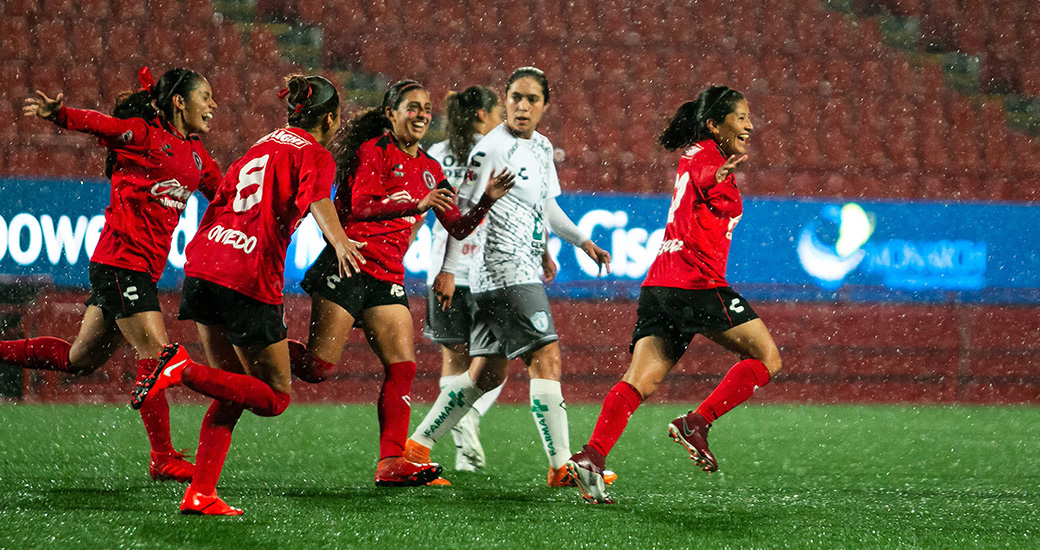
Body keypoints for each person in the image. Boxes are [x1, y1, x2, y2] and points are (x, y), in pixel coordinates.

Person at [130, 74, 366, 515]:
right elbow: (319, 198)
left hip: (204, 263)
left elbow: (219, 199)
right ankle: (180, 367)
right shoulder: (315, 153)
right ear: (331, 118)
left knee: (233, 390)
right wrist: (339, 240)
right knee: (274, 396)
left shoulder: (260, 145)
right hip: (247, 273)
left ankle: (201, 493)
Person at [290, 79, 516, 487]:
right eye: (411, 107)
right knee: (318, 369)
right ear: (390, 113)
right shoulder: (371, 151)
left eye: (426, 108)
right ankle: (266, 349)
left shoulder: (431, 170)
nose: (421, 114)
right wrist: (417, 204)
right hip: (349, 262)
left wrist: (487, 200)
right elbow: (359, 204)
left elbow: (458, 228)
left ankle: (391, 460)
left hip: (387, 276)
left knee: (403, 366)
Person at [564, 86, 783, 504]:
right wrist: (714, 175)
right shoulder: (705, 156)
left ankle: (592, 456)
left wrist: (717, 175)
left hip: (660, 285)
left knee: (639, 381)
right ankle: (697, 423)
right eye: (740, 118)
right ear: (715, 124)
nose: (750, 125)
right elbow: (702, 175)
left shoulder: (698, 155)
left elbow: (697, 177)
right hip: (696, 282)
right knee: (766, 358)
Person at [2, 68, 221, 483]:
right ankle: (162, 457)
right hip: (122, 262)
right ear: (179, 101)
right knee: (157, 355)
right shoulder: (143, 135)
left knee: (78, 359)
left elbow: (224, 192)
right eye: (205, 96)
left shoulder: (196, 153)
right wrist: (60, 114)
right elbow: (103, 125)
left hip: (140, 270)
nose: (213, 105)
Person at [404, 67, 612, 488]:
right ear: (505, 100)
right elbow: (458, 214)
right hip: (503, 271)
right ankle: (560, 468)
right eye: (515, 97)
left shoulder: (542, 147)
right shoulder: (490, 151)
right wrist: (446, 269)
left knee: (487, 375)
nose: (522, 106)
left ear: (544, 106)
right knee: (546, 359)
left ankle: (418, 446)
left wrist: (580, 242)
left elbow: (547, 208)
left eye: (531, 99)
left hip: (518, 268)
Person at [423, 86, 510, 472]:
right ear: (481, 115)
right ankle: (469, 415)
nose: (501, 121)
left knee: (453, 360)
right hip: (487, 269)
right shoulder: (496, 152)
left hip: (443, 270)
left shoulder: (436, 155)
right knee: (496, 359)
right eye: (496, 113)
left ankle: (463, 453)